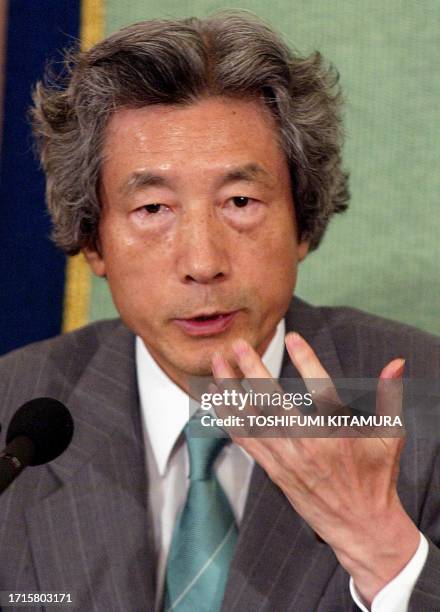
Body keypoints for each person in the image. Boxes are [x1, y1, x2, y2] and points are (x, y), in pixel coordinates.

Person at [0, 11, 439, 612]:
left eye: (240, 200)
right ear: (93, 241)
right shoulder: (13, 417)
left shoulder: (423, 401)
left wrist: (380, 547)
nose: (203, 263)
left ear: (302, 223)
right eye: (153, 209)